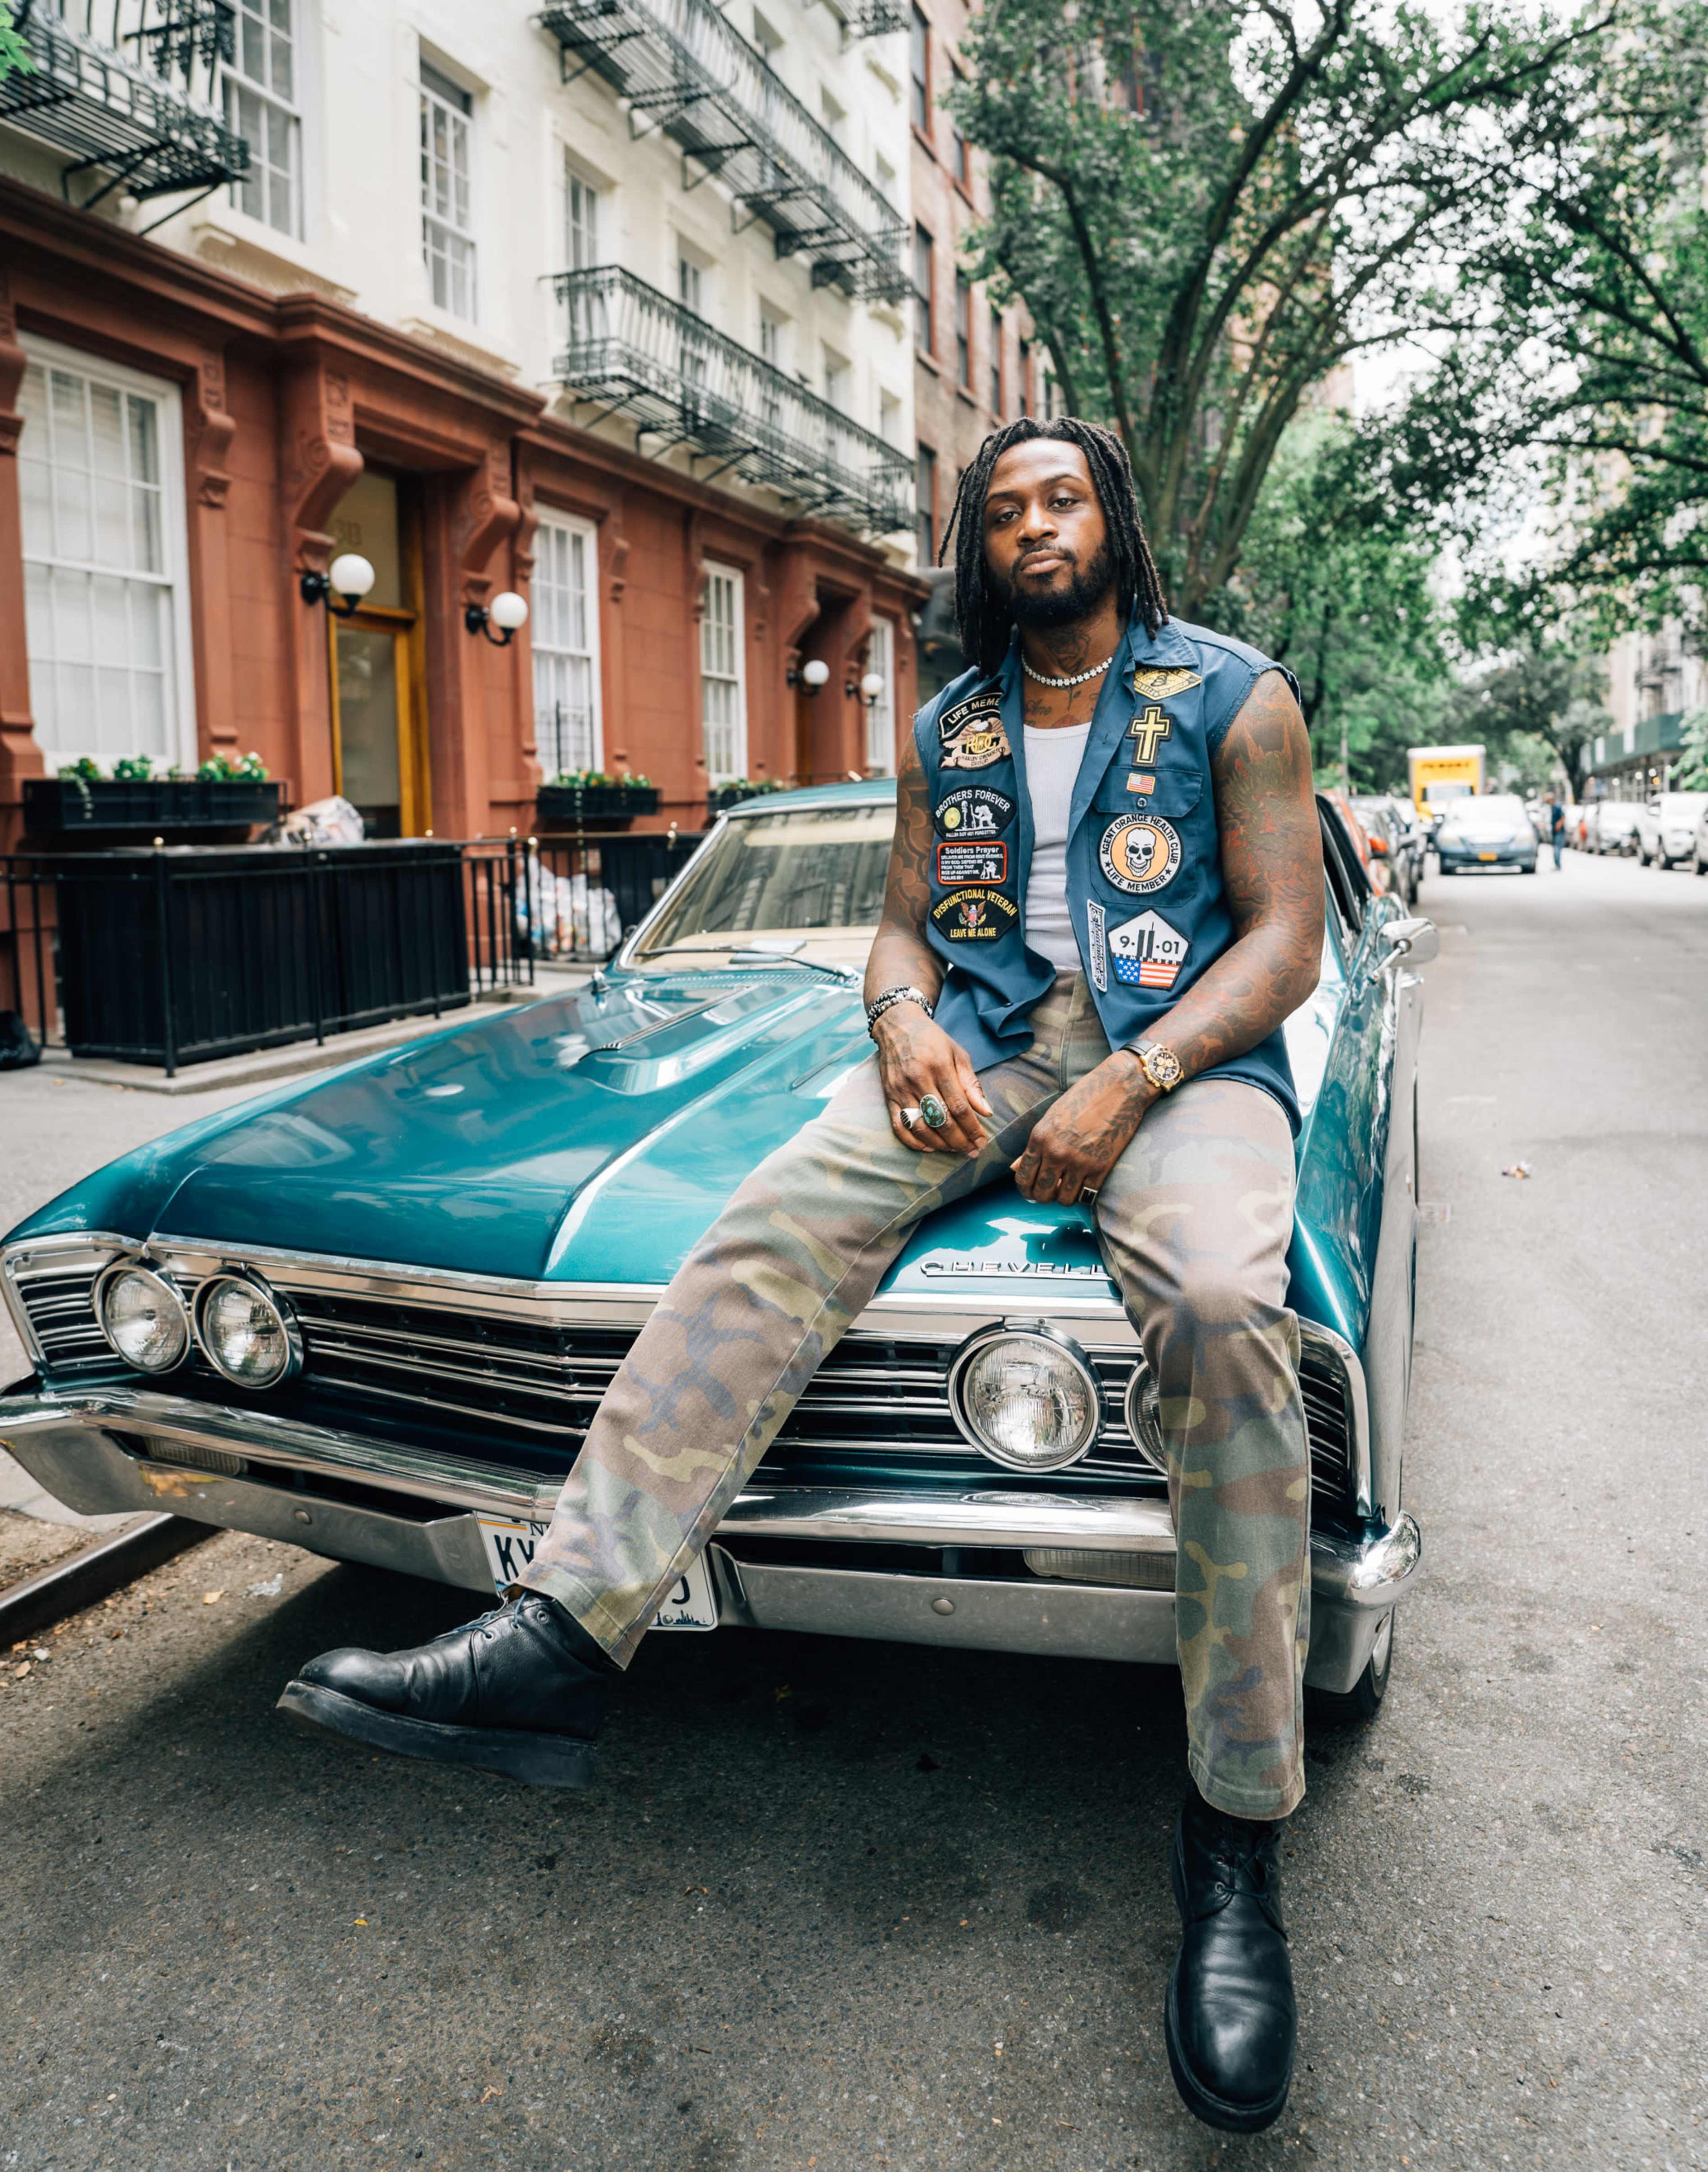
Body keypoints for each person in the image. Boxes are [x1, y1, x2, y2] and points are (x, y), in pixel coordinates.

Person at [280, 419, 1326, 2137]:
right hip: (977, 1049)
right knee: (765, 1221)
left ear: (1113, 521)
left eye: (1060, 498)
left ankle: (1233, 1836)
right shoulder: (953, 721)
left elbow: (1283, 938)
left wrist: (1130, 1084)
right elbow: (908, 920)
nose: (1033, 527)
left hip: (1179, 1065)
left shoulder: (1231, 695)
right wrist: (898, 1011)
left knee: (1222, 1309)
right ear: (979, 550)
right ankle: (565, 1624)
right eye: (1002, 511)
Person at [1548, 794, 1567, 870]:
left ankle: (1558, 865)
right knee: (1555, 848)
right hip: (1554, 831)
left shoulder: (1558, 807)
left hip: (1559, 831)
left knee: (1557, 848)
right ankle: (1556, 864)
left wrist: (1559, 825)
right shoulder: (1552, 808)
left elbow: (1563, 817)